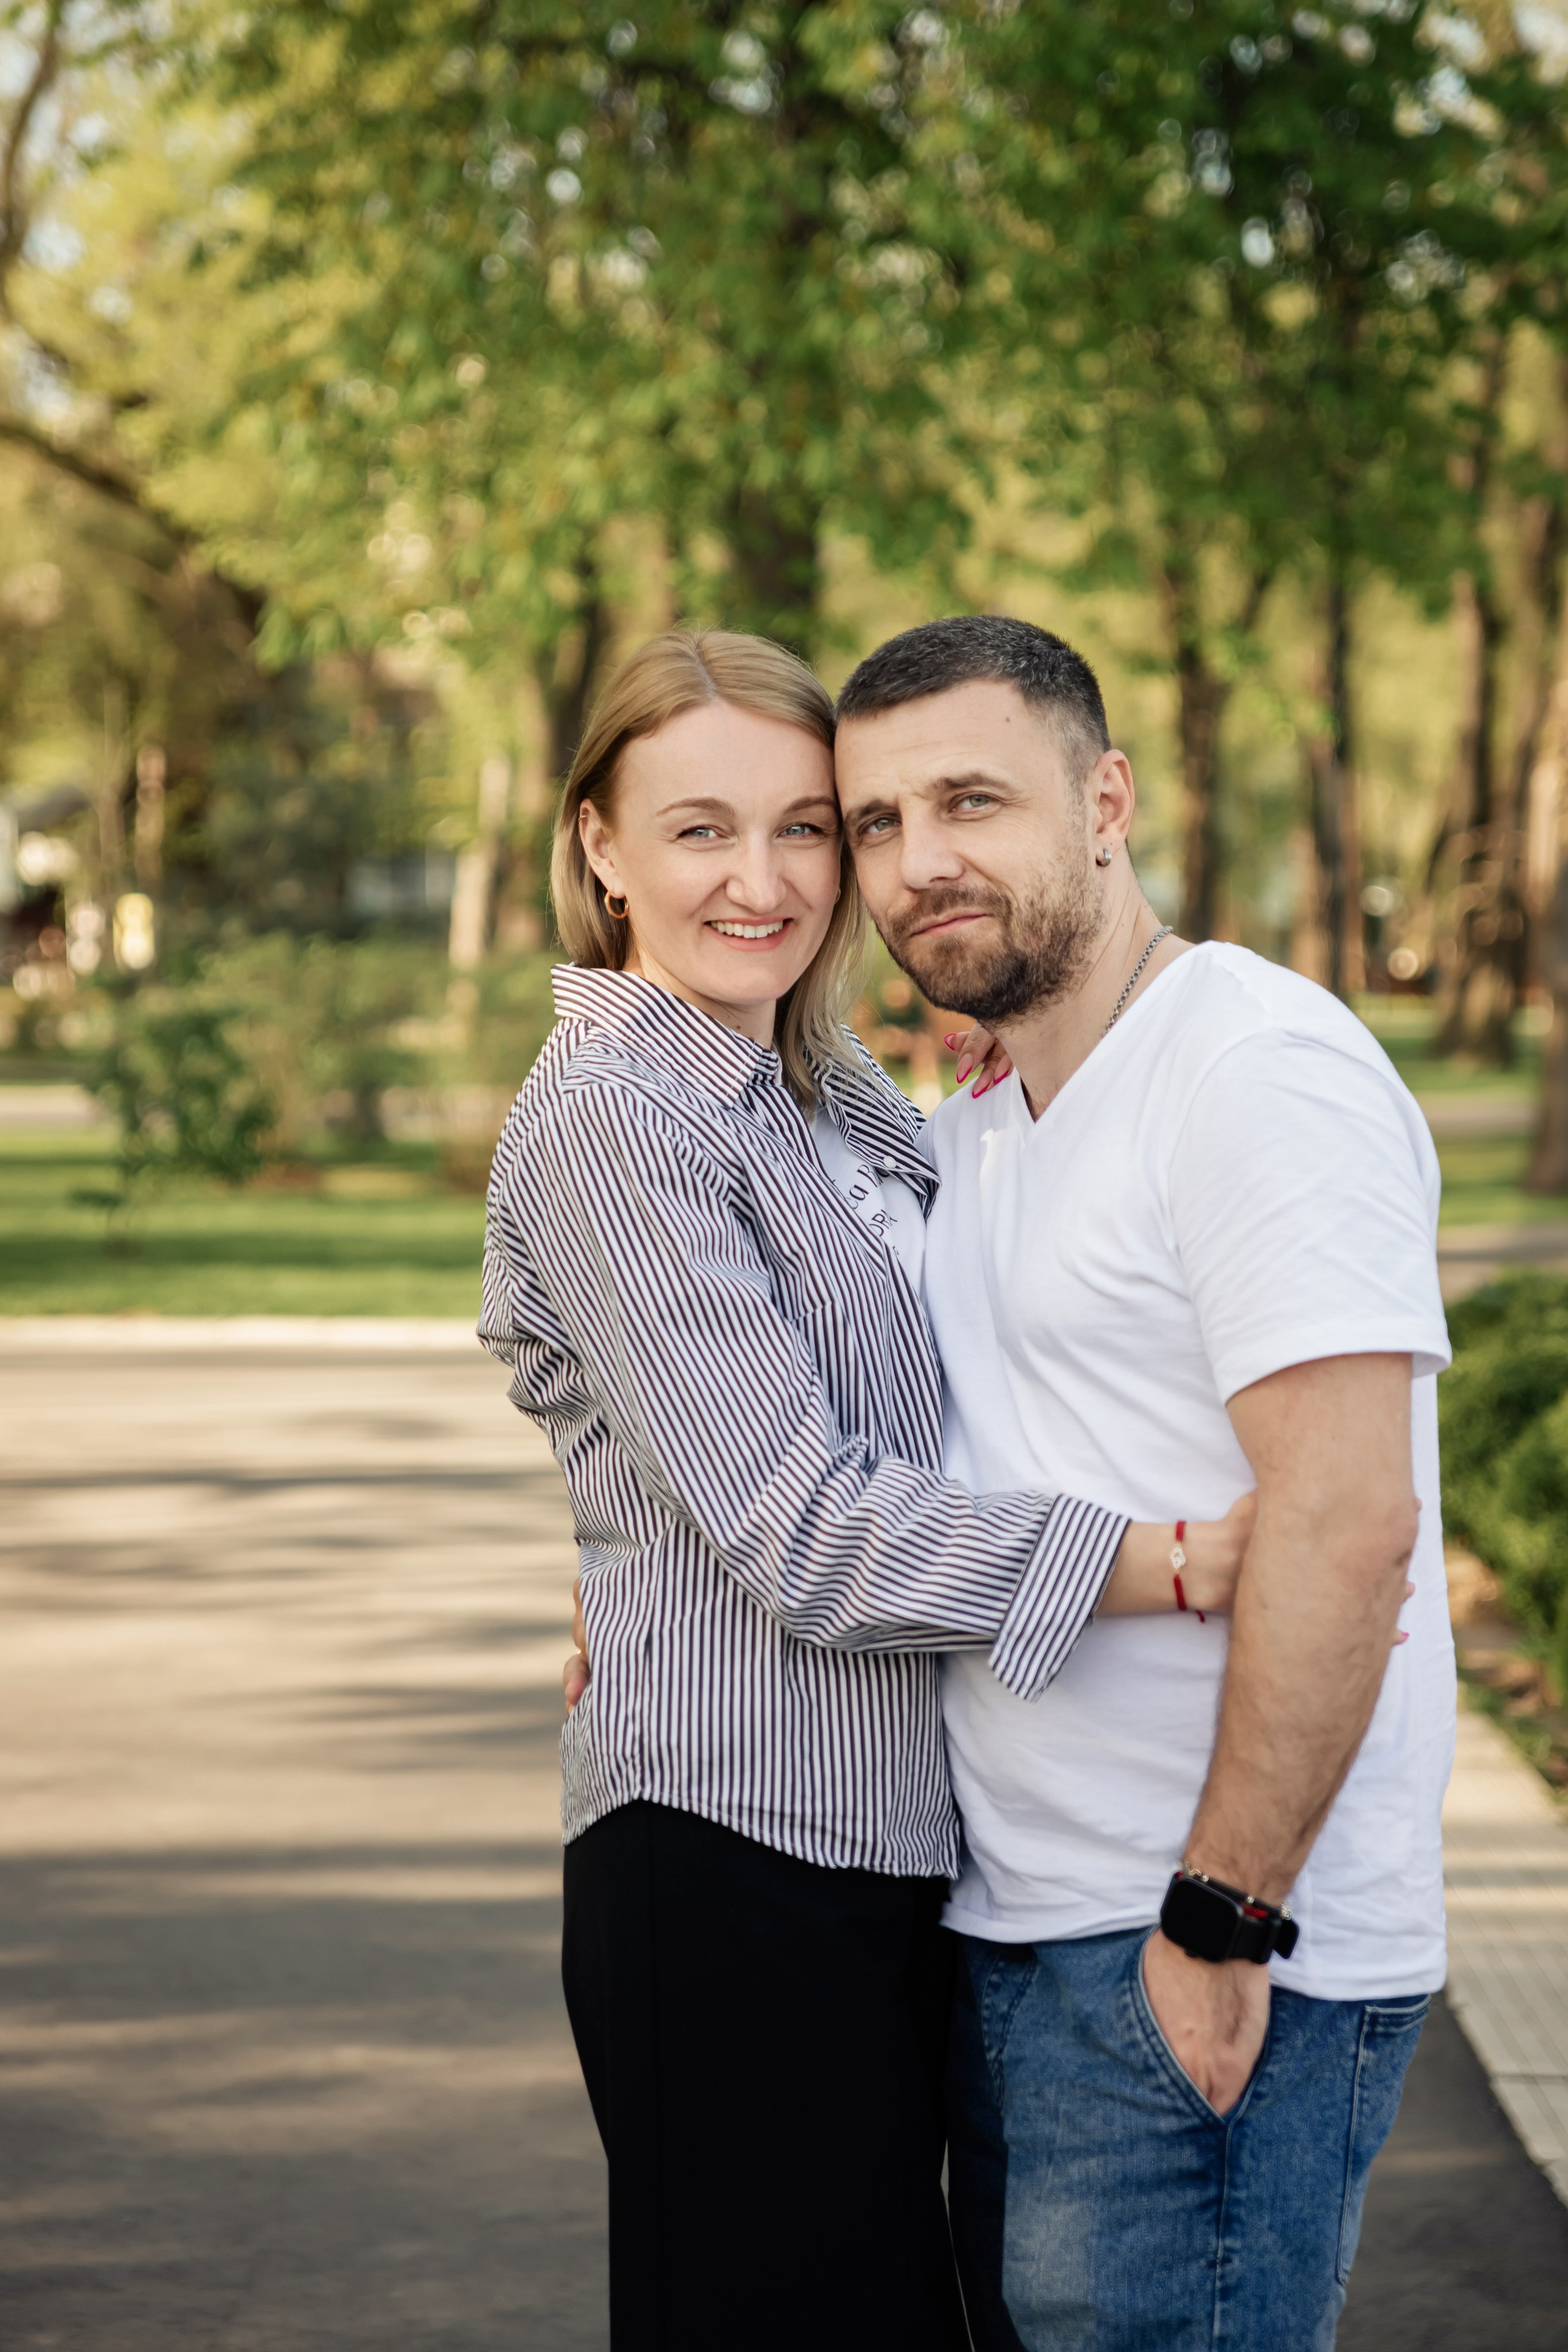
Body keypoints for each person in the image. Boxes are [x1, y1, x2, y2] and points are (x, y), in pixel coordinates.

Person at [478, 628, 1253, 2352]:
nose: (761, 883)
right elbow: (802, 1529)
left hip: (898, 1855)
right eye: (699, 830)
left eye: (807, 829)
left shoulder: (829, 1097)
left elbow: (944, 1371)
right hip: (732, 1860)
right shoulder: (617, 1113)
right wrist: (1180, 1560)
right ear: (600, 844)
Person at [834, 614, 1452, 2352]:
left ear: (1106, 803)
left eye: (972, 800)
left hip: (1203, 1939)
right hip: (1018, 1926)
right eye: (877, 822)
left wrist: (1221, 1918)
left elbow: (1349, 1524)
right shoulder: (981, 1121)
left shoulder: (1254, 1072)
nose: (919, 860)